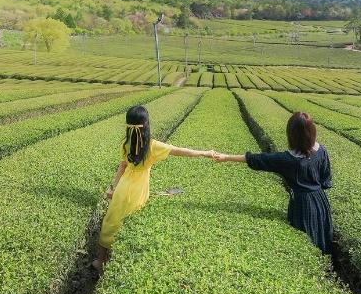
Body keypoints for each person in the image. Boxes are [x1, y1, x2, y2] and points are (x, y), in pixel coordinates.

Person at [93, 105, 216, 270]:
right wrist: (205, 153)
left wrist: (113, 188)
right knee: (128, 224)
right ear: (146, 124)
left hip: (123, 188)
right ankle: (116, 264)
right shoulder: (152, 146)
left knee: (111, 221)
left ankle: (100, 260)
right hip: (138, 190)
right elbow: (179, 151)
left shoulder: (125, 143)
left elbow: (122, 167)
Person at [213, 111, 333, 254]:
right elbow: (326, 180)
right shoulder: (321, 151)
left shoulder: (287, 159)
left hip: (301, 204)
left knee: (306, 236)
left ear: (291, 135)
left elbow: (258, 159)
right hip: (320, 200)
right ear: (312, 132)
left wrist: (226, 157)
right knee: (322, 232)